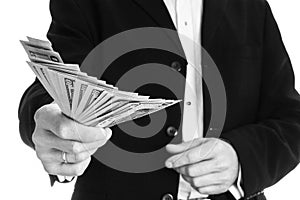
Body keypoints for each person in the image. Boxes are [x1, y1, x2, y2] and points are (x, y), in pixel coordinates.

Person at [18, 0, 300, 200]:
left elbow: (290, 119)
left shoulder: (252, 5)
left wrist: (240, 159)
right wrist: (48, 119)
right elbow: (52, 83)